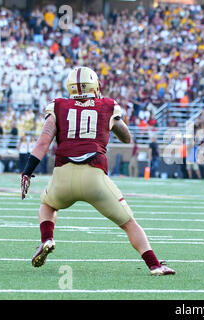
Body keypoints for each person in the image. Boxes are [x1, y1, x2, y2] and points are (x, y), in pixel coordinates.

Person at [20, 66, 175, 276]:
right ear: (95, 86)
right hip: (94, 177)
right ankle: (155, 265)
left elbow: (42, 143)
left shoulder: (57, 106)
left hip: (63, 176)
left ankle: (47, 239)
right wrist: (114, 123)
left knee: (47, 205)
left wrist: (27, 172)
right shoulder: (107, 105)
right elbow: (127, 137)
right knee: (129, 223)